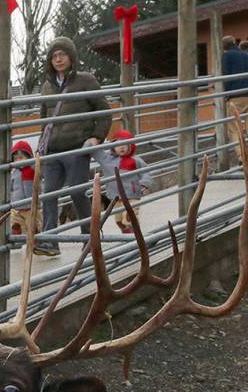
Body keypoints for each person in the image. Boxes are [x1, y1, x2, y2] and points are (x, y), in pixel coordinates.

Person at [35, 36, 112, 257]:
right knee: (48, 195)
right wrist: (41, 145)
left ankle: (90, 236)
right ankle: (50, 242)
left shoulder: (86, 80)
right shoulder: (47, 87)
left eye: (62, 55)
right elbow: (45, 120)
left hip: (77, 148)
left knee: (78, 192)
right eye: (54, 56)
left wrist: (96, 137)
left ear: (71, 57)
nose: (58, 59)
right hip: (52, 150)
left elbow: (104, 112)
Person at [89, 129, 154, 234]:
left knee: (129, 219)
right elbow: (96, 152)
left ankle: (135, 237)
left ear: (130, 145)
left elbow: (146, 171)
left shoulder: (135, 160)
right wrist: (90, 142)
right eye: (118, 145)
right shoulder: (107, 160)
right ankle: (127, 235)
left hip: (132, 196)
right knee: (119, 221)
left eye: (125, 144)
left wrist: (144, 183)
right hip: (116, 198)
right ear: (113, 146)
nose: (122, 147)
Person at [220, 36, 248, 165]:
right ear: (234, 43)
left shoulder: (226, 57)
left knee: (234, 129)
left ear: (224, 47)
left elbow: (225, 75)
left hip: (235, 96)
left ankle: (243, 158)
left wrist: (226, 93)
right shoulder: (247, 55)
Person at [9, 140, 41, 239]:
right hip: (17, 207)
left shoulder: (32, 169)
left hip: (32, 207)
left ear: (29, 157)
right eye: (16, 159)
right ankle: (16, 234)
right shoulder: (14, 173)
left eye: (21, 157)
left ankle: (35, 240)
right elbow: (10, 187)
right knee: (14, 223)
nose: (19, 161)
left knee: (33, 226)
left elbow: (40, 176)